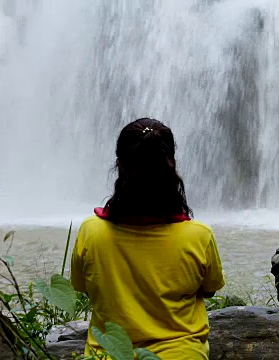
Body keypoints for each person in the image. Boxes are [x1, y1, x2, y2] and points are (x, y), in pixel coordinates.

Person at [70, 118, 225, 359]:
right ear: (170, 166)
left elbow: (83, 287)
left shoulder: (91, 232)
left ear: (119, 165)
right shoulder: (199, 236)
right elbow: (209, 290)